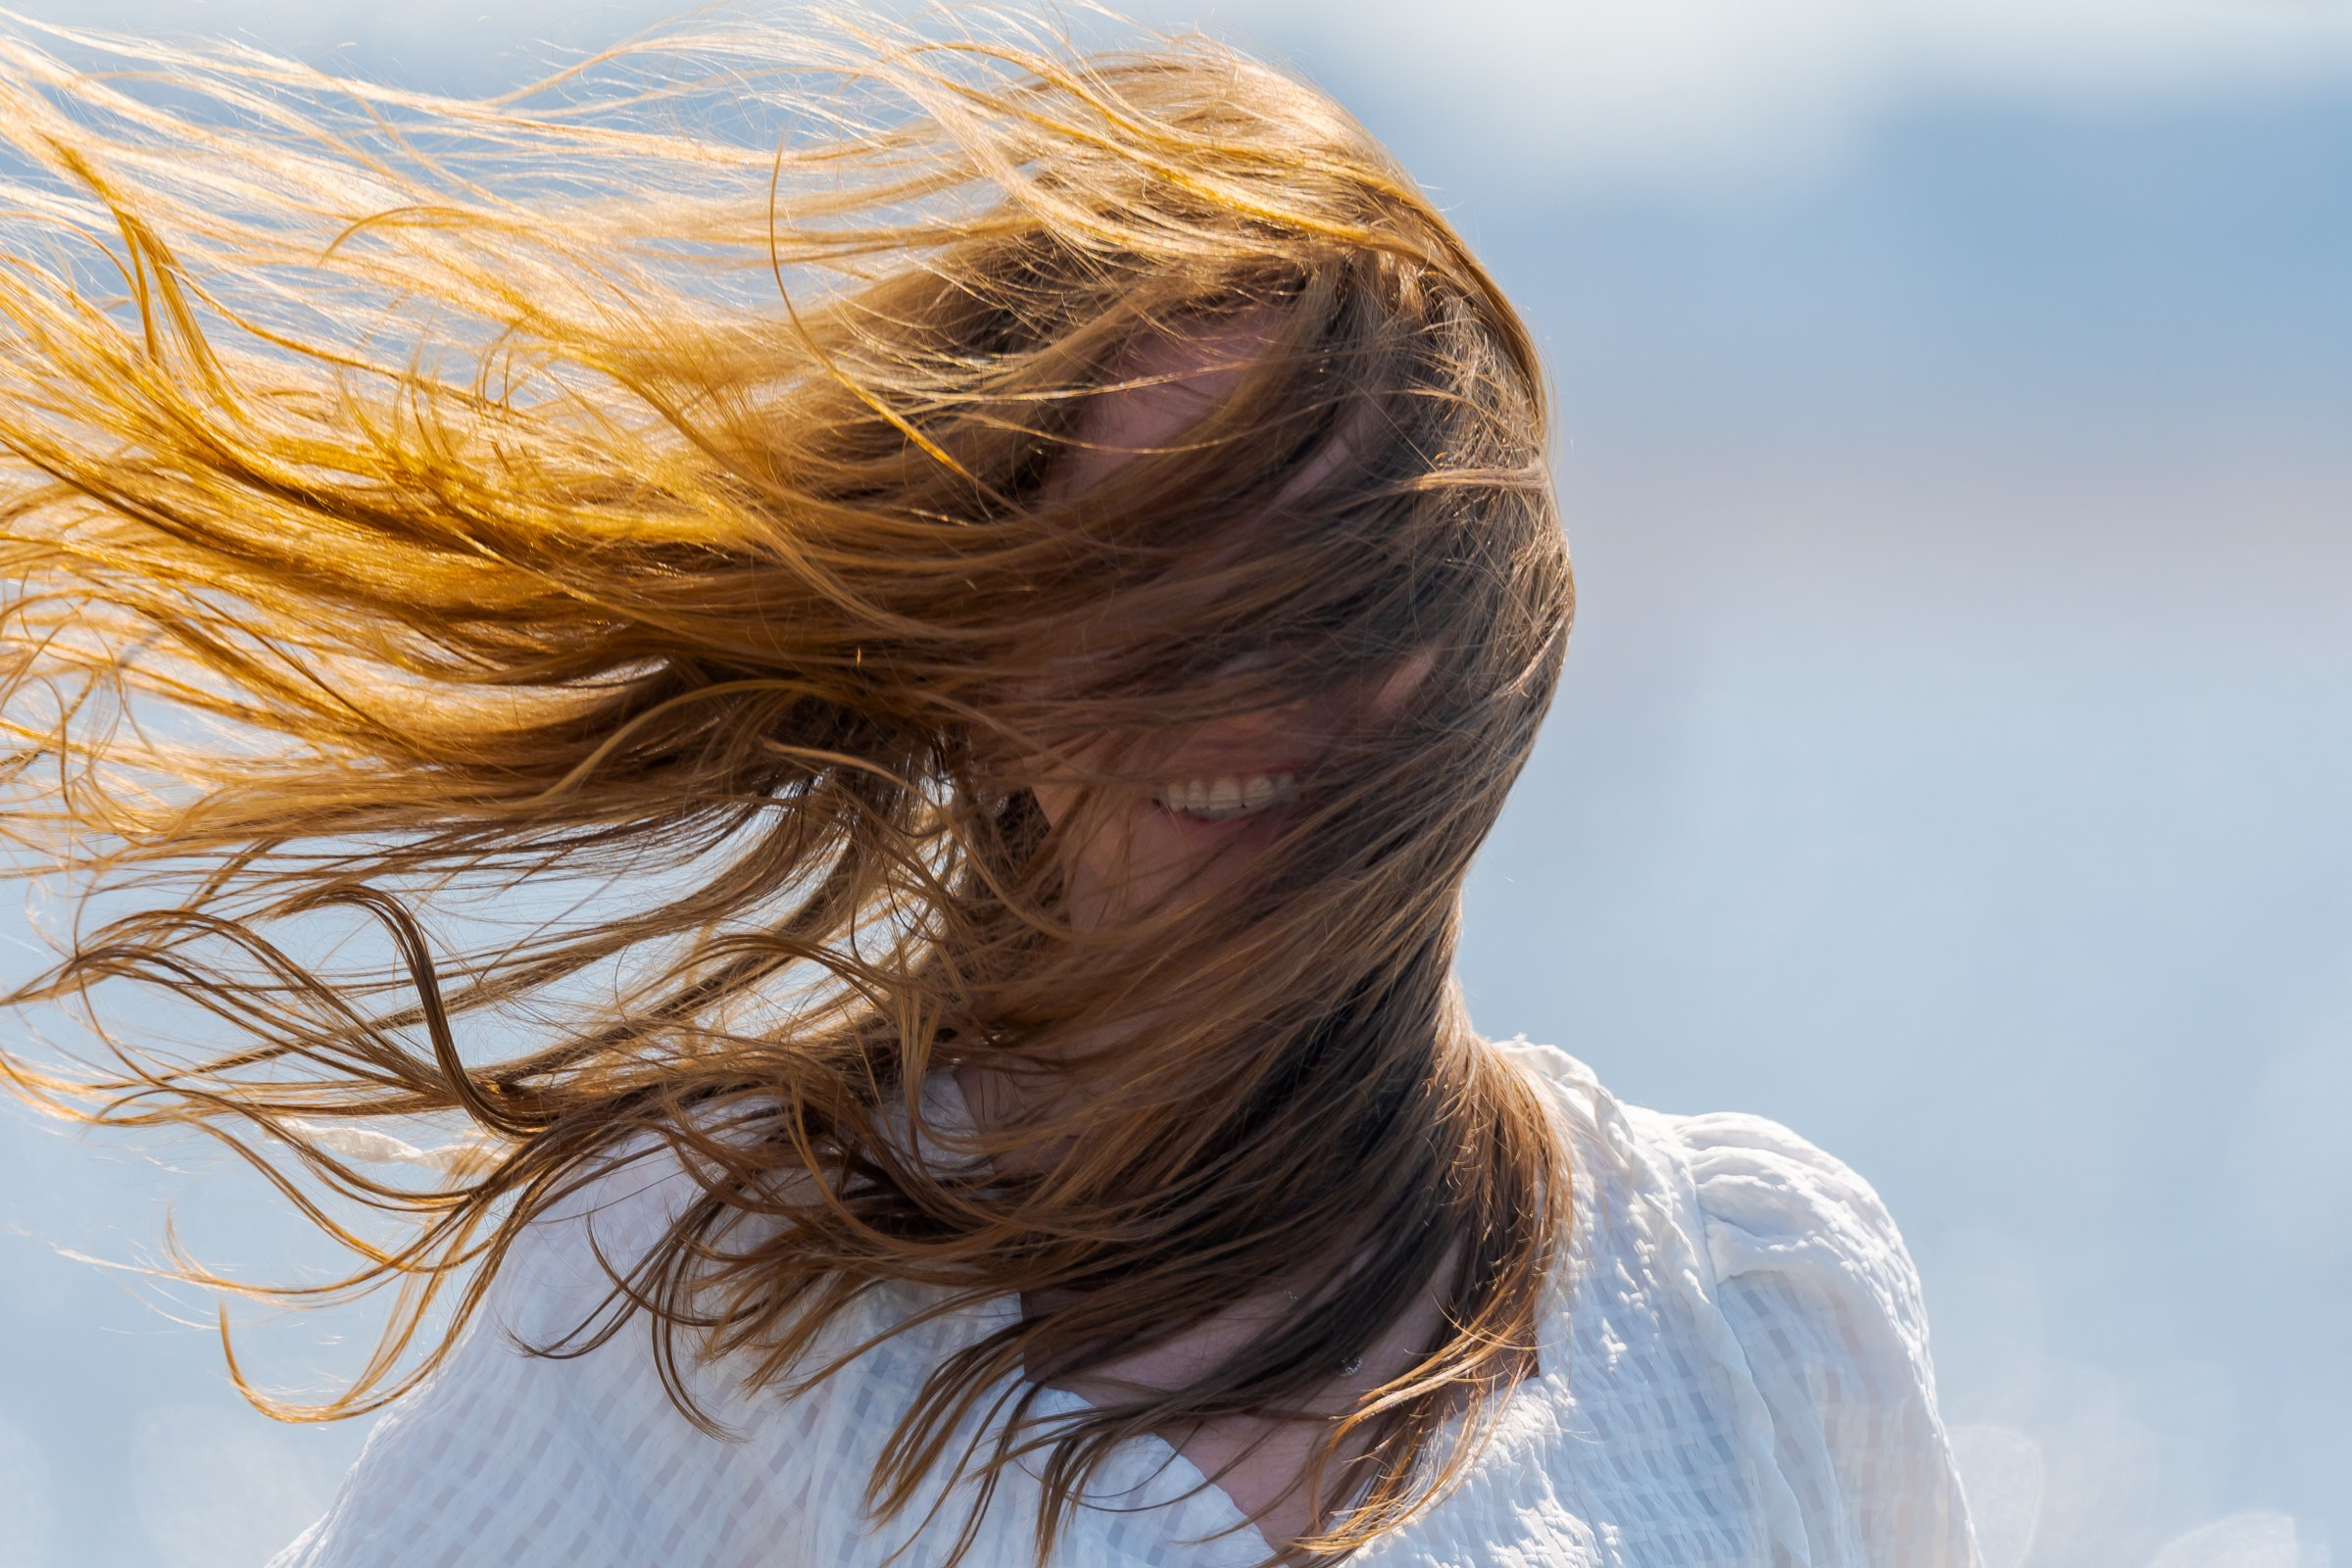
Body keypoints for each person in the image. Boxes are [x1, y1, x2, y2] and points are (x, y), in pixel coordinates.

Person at [0, 10, 1976, 1566]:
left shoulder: (1749, 1306)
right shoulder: (711, 1293)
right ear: (984, 643)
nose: (1230, 690)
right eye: (1136, 578)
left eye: (1320, 584)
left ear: (1477, 642)